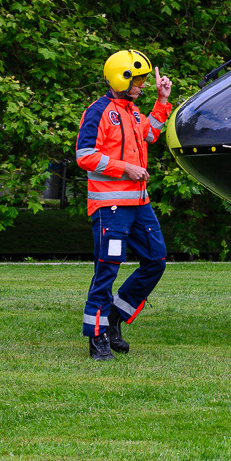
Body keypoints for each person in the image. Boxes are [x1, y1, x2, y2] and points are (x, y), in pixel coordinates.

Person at [74, 50, 174, 360]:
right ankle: (97, 337)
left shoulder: (131, 111)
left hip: (139, 205)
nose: (143, 84)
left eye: (145, 79)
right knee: (107, 270)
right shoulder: (99, 111)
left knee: (156, 261)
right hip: (111, 208)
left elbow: (152, 133)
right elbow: (84, 155)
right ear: (122, 78)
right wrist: (125, 168)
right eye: (140, 79)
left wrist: (162, 99)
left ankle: (115, 316)